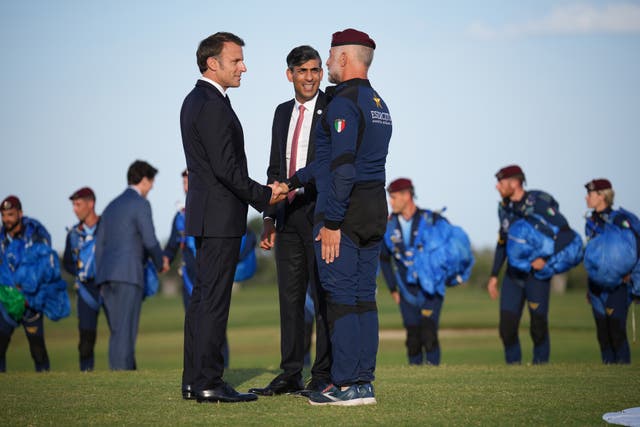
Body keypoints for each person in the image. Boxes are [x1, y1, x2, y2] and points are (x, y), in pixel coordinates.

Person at [284, 28, 392, 406]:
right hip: (375, 209)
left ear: (344, 58)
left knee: (343, 299)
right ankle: (363, 382)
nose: (327, 64)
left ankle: (345, 384)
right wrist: (292, 182)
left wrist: (331, 223)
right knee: (364, 298)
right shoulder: (378, 102)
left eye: (330, 57)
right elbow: (328, 161)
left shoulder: (343, 102)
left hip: (345, 213)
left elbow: (342, 168)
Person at [179, 32, 285, 404]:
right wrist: (265, 195)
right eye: (236, 60)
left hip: (209, 216)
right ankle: (208, 381)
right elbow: (227, 169)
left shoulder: (198, 99)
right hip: (219, 217)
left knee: (202, 299)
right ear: (213, 63)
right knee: (212, 302)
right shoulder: (210, 103)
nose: (244, 67)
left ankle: (194, 380)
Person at [249, 45, 331, 397]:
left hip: (321, 215)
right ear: (290, 75)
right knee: (290, 298)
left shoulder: (333, 109)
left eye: (315, 70)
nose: (310, 77)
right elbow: (274, 169)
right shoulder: (282, 112)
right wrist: (268, 217)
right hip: (287, 218)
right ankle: (290, 374)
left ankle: (323, 373)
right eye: (302, 71)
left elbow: (327, 163)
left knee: (325, 297)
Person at [487, 165, 578, 364]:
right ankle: (514, 368)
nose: (497, 187)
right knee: (507, 328)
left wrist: (545, 259)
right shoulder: (504, 208)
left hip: (536, 276)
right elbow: (502, 242)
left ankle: (540, 366)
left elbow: (566, 233)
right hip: (512, 277)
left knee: (538, 325)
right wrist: (494, 275)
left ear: (514, 182)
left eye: (500, 183)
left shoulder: (538, 205)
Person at [379, 178, 473, 366]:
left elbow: (454, 246)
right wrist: (393, 289)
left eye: (394, 197)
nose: (391, 201)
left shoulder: (432, 220)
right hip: (406, 291)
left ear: (407, 196)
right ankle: (416, 377)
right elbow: (384, 258)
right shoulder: (388, 225)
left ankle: (434, 373)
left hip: (431, 290)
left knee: (428, 333)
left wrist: (454, 274)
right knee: (413, 338)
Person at [95, 160, 167, 371]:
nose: (152, 187)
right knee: (126, 330)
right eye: (151, 182)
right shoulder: (141, 204)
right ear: (144, 180)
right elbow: (150, 239)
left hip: (106, 276)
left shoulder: (110, 206)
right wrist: (159, 260)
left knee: (117, 331)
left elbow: (99, 245)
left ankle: (122, 371)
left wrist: (100, 276)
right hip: (128, 274)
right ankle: (122, 376)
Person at [0, 195, 70, 372]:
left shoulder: (37, 236)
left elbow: (45, 267)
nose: (6, 219)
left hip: (31, 303)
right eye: (4, 215)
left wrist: (26, 292)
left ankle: (44, 385)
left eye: (11, 214)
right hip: (7, 303)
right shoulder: (1, 240)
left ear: (20, 214)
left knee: (37, 350)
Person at [583, 178, 640, 364]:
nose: (586, 198)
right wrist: (588, 285)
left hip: (618, 285)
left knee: (616, 332)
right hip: (596, 286)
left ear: (602, 196)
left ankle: (622, 373)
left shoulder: (620, 220)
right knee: (603, 333)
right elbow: (592, 256)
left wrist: (631, 274)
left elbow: (635, 248)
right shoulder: (590, 222)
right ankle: (608, 373)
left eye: (590, 194)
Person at [63, 187, 102, 371]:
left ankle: (128, 375)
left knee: (121, 335)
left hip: (108, 288)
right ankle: (86, 377)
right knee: (86, 340)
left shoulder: (107, 226)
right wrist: (80, 272)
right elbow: (68, 263)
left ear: (91, 203)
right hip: (86, 292)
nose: (75, 209)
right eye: (73, 205)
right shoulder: (73, 235)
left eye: (78, 204)